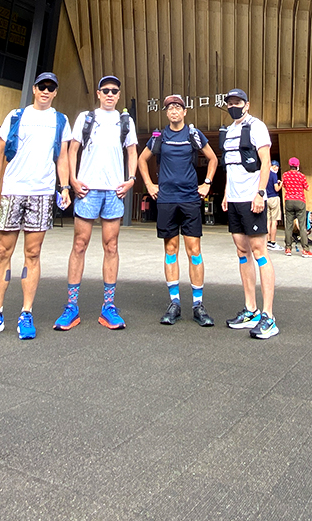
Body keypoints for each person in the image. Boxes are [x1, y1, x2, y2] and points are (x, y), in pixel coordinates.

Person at [0, 72, 71, 340]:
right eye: (42, 86)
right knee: (3, 251)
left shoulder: (60, 120)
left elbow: (62, 157)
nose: (46, 91)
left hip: (41, 192)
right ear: (34, 89)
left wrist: (64, 187)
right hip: (13, 191)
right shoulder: (16, 115)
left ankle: (26, 312)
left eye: (51, 87)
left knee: (33, 253)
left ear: (55, 92)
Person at [54, 74, 138, 330]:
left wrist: (131, 179)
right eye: (106, 90)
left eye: (114, 90)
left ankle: (108, 307)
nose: (110, 94)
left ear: (118, 95)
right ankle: (71, 306)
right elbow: (72, 150)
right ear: (99, 94)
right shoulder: (85, 118)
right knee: (79, 244)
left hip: (114, 191)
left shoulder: (126, 121)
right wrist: (72, 181)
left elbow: (132, 151)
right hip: (87, 190)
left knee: (111, 246)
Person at [137, 94, 218, 326]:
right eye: (170, 108)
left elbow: (212, 159)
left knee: (194, 250)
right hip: (166, 200)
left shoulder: (194, 135)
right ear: (166, 113)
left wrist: (207, 183)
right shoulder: (158, 137)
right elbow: (142, 160)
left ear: (184, 112)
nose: (174, 111)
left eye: (177, 107)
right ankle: (174, 303)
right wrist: (150, 184)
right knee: (170, 249)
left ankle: (198, 305)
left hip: (190, 199)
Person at [220, 88, 278, 339]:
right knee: (242, 252)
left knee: (259, 251)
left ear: (247, 104)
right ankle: (251, 309)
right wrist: (225, 194)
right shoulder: (230, 131)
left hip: (252, 198)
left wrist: (261, 194)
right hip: (233, 199)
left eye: (238, 102)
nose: (234, 106)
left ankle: (268, 316)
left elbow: (265, 162)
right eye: (230, 103)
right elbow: (231, 167)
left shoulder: (257, 126)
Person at [281, 158, 312, 256]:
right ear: (298, 166)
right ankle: (305, 249)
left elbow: (284, 186)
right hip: (300, 201)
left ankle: (288, 248)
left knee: (289, 226)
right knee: (302, 226)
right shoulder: (301, 176)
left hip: (289, 200)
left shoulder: (285, 175)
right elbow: (307, 188)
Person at [266, 159, 283, 250]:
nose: (276, 168)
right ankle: (273, 242)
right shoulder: (273, 175)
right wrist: (281, 184)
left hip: (266, 198)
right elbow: (276, 189)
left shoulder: (265, 174)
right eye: (275, 166)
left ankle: (267, 241)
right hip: (274, 198)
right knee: (274, 221)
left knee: (267, 221)